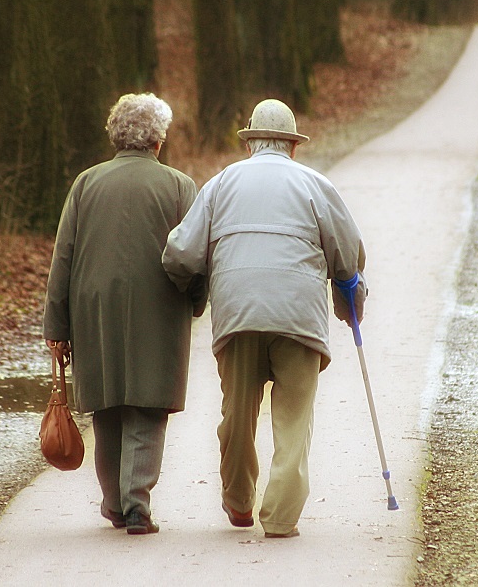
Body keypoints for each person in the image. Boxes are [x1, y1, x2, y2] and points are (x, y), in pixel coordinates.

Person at [162, 98, 366, 538]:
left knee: (237, 413)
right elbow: (347, 255)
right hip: (299, 318)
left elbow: (181, 252)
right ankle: (280, 517)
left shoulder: (220, 184)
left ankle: (238, 502)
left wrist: (189, 287)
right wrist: (350, 296)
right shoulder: (315, 185)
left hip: (238, 314)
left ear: (251, 142)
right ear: (293, 146)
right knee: (293, 421)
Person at [43, 93, 205, 535]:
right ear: (158, 141)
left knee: (108, 405)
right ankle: (137, 504)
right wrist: (196, 299)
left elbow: (64, 258)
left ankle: (114, 502)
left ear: (116, 136)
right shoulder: (178, 186)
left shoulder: (86, 184)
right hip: (159, 306)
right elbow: (192, 256)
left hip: (94, 310)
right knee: (147, 407)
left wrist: (56, 326)